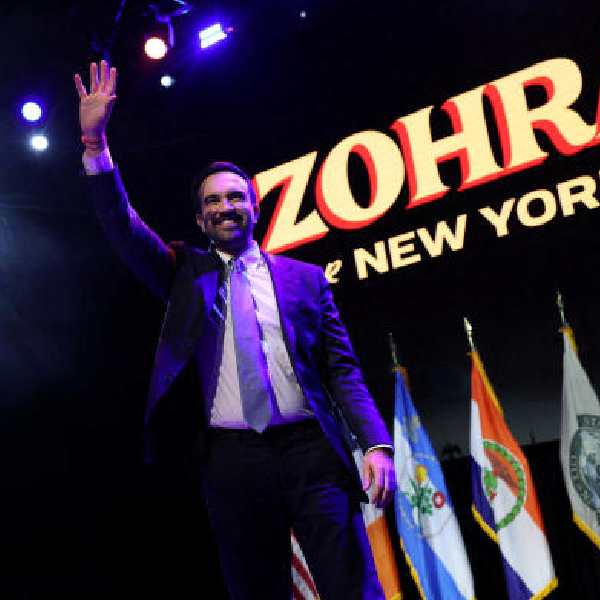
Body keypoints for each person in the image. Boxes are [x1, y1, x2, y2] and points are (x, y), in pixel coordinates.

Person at [74, 59, 396, 600]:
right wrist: (93, 143)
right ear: (200, 220)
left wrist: (376, 444)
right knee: (253, 588)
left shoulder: (306, 280)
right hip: (231, 458)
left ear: (254, 205)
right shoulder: (183, 273)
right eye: (213, 202)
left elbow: (342, 371)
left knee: (351, 584)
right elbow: (122, 228)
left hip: (311, 450)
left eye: (235, 197)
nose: (226, 207)